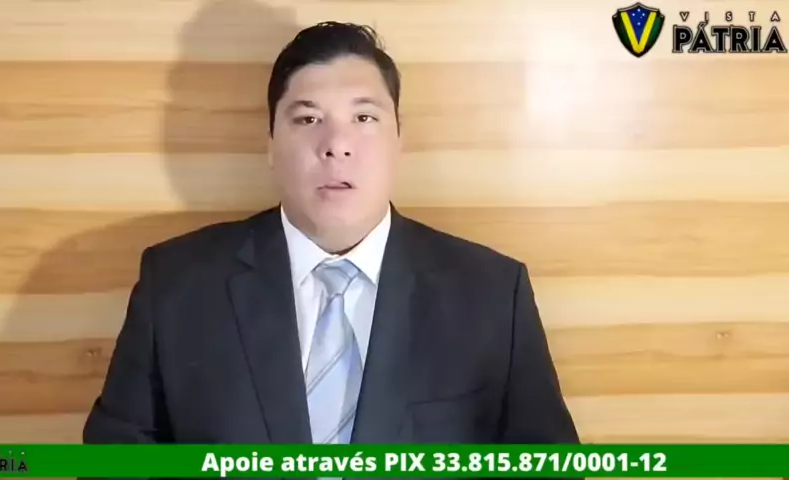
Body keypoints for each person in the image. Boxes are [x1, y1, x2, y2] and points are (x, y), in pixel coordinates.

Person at [83, 21, 579, 449]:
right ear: (271, 143)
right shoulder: (176, 284)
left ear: (399, 140)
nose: (337, 144)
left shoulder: (492, 294)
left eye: (364, 117)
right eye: (308, 119)